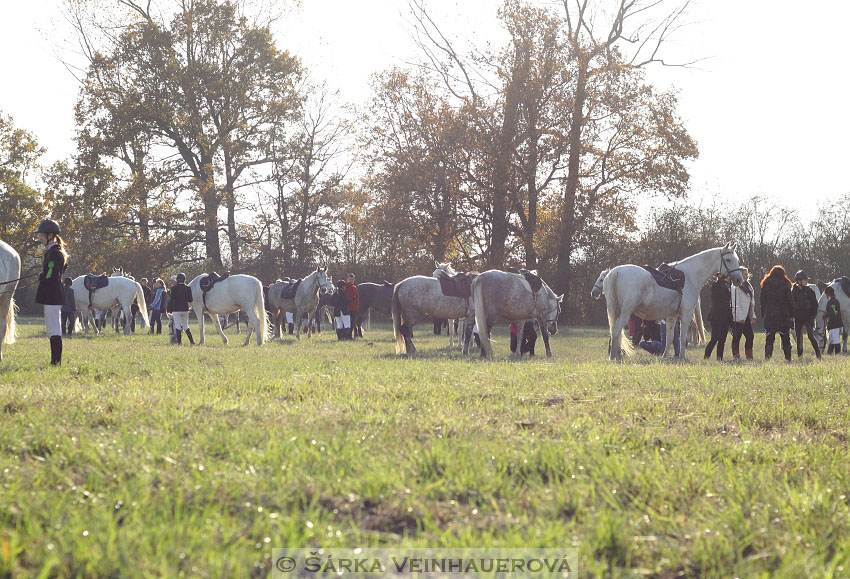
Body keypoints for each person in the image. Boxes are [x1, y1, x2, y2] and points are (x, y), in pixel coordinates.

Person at [34, 219, 68, 365]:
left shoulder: (55, 253)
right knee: (53, 328)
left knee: (54, 329)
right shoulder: (53, 252)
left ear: (50, 235)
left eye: (42, 235)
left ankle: (56, 361)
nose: (40, 238)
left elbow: (52, 275)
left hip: (52, 295)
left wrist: (41, 275)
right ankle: (55, 360)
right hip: (52, 295)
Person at [760, 265, 795, 361]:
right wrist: (792, 314)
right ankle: (788, 359)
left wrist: (763, 313)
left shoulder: (765, 284)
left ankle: (767, 358)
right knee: (785, 337)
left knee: (769, 338)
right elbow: (790, 300)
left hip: (770, 313)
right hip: (783, 314)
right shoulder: (786, 284)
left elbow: (762, 301)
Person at [791, 270, 822, 359]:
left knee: (810, 335)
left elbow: (815, 305)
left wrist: (812, 316)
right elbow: (791, 304)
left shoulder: (810, 291)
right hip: (798, 317)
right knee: (798, 337)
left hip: (808, 317)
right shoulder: (793, 292)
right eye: (805, 280)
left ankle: (818, 354)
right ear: (799, 281)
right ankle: (800, 355)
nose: (807, 281)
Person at [730, 266, 756, 359]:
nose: (746, 275)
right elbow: (734, 303)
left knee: (750, 336)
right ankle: (736, 355)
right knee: (737, 337)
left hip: (747, 317)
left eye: (746, 274)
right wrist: (740, 317)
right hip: (738, 317)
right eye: (744, 274)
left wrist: (753, 315)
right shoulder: (735, 287)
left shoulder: (749, 286)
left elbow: (752, 302)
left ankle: (749, 355)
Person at [704, 273, 731, 360]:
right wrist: (720, 278)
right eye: (726, 276)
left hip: (725, 316)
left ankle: (719, 358)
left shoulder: (726, 287)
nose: (728, 278)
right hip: (717, 316)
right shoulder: (716, 286)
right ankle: (706, 357)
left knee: (722, 340)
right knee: (714, 339)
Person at [167, 273, 194, 345]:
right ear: (184, 280)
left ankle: (179, 342)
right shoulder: (188, 288)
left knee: (178, 326)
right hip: (185, 309)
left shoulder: (174, 288)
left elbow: (171, 299)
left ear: (177, 280)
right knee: (186, 326)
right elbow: (190, 299)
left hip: (176, 309)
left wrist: (168, 308)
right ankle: (192, 342)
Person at [824, 287, 843, 355]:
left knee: (835, 340)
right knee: (831, 340)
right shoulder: (835, 301)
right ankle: (829, 353)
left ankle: (837, 353)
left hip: (834, 324)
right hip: (835, 324)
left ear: (828, 294)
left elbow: (834, 313)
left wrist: (826, 315)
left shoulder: (832, 302)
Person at [343, 273, 360, 338]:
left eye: (352, 279)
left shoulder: (355, 288)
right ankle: (346, 336)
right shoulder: (345, 287)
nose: (351, 281)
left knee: (352, 323)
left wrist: (357, 306)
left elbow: (357, 298)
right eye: (350, 279)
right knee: (347, 323)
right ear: (347, 279)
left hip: (354, 308)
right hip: (347, 308)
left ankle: (350, 336)